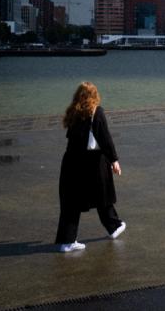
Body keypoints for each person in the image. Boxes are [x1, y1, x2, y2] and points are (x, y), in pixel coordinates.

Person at [55, 82, 125, 252]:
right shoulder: (96, 112)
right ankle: (113, 226)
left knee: (70, 202)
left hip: (71, 161)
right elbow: (105, 138)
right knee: (102, 194)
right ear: (95, 96)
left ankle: (67, 241)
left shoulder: (73, 113)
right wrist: (114, 160)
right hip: (92, 161)